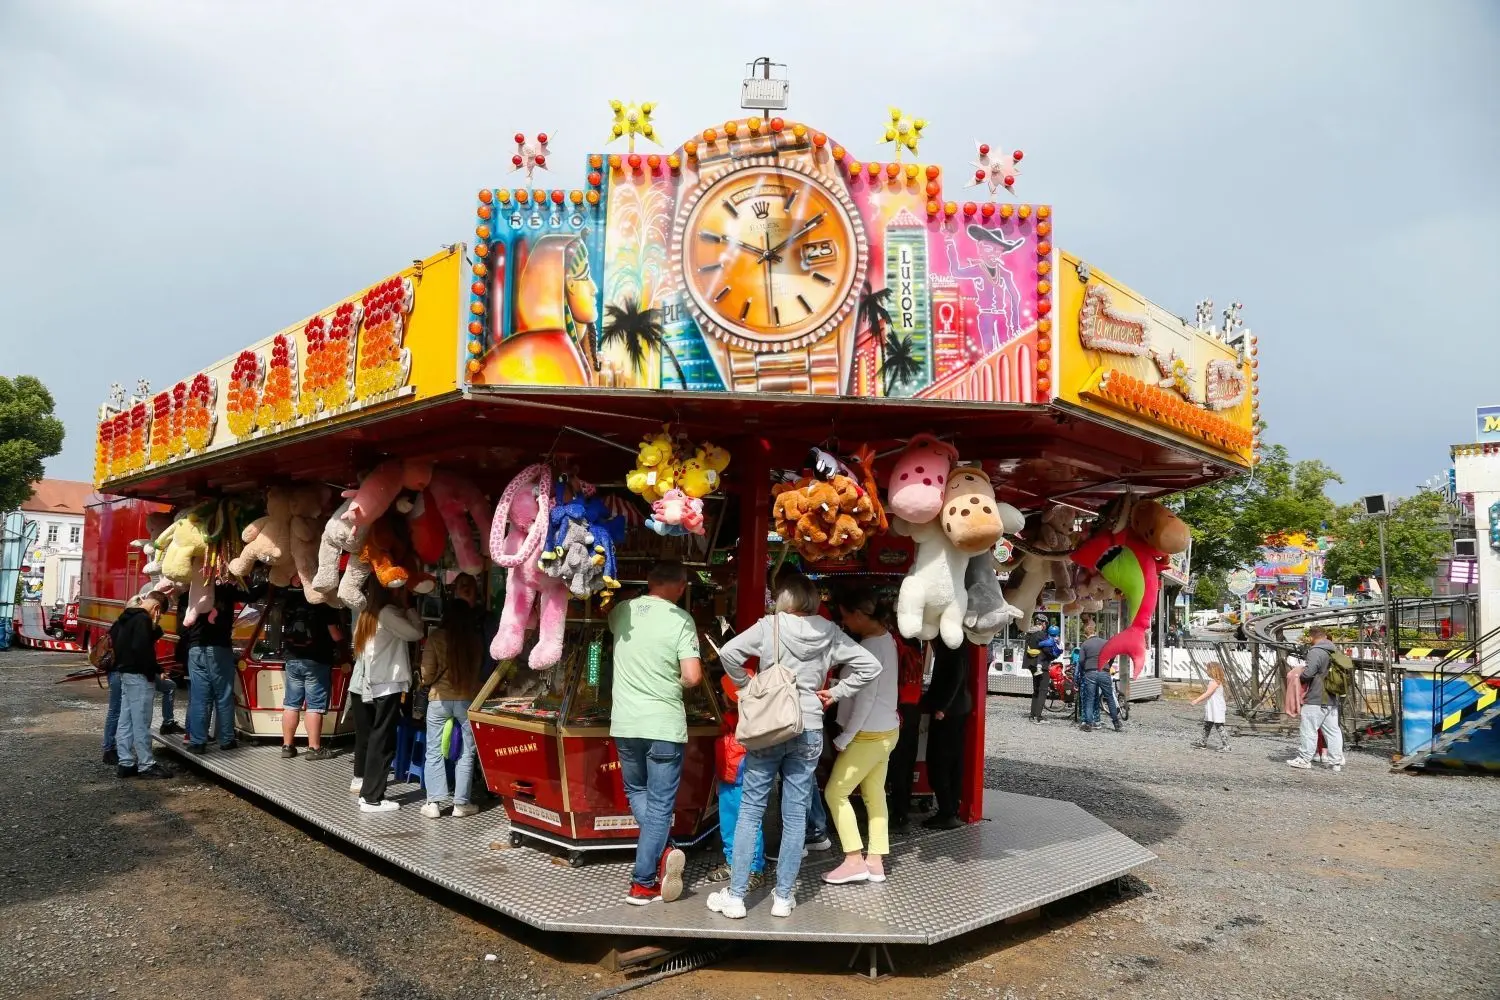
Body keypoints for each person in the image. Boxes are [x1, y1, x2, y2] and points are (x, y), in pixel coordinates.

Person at [708, 573, 881, 920]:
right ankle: (784, 896)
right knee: (795, 814)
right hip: (810, 726)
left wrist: (746, 687)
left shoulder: (770, 626)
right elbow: (870, 666)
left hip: (769, 726)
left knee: (751, 810)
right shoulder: (829, 632)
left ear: (783, 600)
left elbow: (728, 654)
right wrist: (834, 692)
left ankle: (737, 896)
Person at [608, 560, 703, 906]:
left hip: (625, 722)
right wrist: (671, 686)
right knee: (661, 806)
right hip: (663, 723)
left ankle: (664, 852)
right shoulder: (682, 620)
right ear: (680, 587)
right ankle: (643, 881)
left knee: (636, 789)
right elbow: (693, 677)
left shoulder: (622, 612)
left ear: (649, 581)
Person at [823, 587, 901, 885]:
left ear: (858, 615)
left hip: (867, 734)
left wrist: (845, 738)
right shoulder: (886, 640)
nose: (844, 623)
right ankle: (875, 861)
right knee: (874, 794)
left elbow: (865, 700)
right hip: (886, 730)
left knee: (835, 792)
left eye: (845, 617)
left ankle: (854, 858)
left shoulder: (869, 647)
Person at [351, 585, 424, 812]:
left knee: (377, 738)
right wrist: (409, 607)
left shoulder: (369, 613)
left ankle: (368, 793)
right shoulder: (388, 613)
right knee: (384, 741)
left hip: (376, 682)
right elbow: (417, 633)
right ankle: (373, 797)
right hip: (388, 683)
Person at [419, 573, 484, 819]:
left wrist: (427, 681)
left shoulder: (436, 637)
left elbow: (427, 674)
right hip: (467, 698)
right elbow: (478, 670)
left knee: (434, 750)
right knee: (467, 752)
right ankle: (461, 803)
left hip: (439, 699)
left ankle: (434, 803)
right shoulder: (474, 640)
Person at [180, 581, 261, 754]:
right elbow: (251, 596)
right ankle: (226, 739)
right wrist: (269, 582)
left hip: (195, 649)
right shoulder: (226, 589)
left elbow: (182, 626)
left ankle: (197, 742)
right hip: (219, 648)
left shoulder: (192, 590)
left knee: (200, 698)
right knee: (223, 695)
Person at [705, 674, 766, 891]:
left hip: (745, 774)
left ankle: (755, 868)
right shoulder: (729, 718)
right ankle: (733, 862)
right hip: (727, 776)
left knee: (750, 823)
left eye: (724, 693)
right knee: (728, 819)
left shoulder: (753, 717)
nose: (721, 696)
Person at [109, 593, 173, 779]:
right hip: (139, 676)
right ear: (157, 609)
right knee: (142, 721)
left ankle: (126, 762)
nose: (159, 617)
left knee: (126, 720)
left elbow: (117, 639)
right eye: (160, 614)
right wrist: (155, 669)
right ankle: (146, 764)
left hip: (125, 673)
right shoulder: (143, 620)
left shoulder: (125, 617)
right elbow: (142, 648)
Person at [279, 588, 345, 759]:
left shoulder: (291, 600)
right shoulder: (324, 603)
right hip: (317, 660)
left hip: (292, 658)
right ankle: (314, 748)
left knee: (291, 704)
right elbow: (335, 635)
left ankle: (287, 746)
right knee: (314, 706)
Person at [921, 639, 972, 830]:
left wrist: (943, 707)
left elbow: (954, 677)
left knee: (939, 762)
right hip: (959, 709)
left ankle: (946, 811)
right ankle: (951, 808)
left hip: (948, 712)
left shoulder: (950, 646)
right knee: (953, 762)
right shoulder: (959, 644)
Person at [1288, 626, 1346, 772]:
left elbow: (1308, 673)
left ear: (1311, 637)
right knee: (1333, 731)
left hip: (1316, 696)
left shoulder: (1316, 651)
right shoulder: (1335, 651)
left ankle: (1304, 759)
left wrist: (1297, 675)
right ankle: (1336, 761)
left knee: (1308, 729)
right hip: (1332, 697)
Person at [886, 633, 927, 833]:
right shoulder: (916, 646)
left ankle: (899, 815)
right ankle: (903, 809)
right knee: (907, 763)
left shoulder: (895, 644)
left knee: (897, 765)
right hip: (914, 708)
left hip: (899, 707)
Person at [1079, 620, 1121, 733]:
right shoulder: (1105, 642)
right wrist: (1109, 665)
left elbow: (1081, 660)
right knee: (1110, 698)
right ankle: (1116, 723)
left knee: (1090, 698)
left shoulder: (1085, 644)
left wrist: (1085, 668)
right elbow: (1114, 654)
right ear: (1095, 631)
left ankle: (1088, 724)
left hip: (1090, 672)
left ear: (1085, 634)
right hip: (1104, 671)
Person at [1190, 662, 1230, 751]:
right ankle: (1202, 742)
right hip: (1214, 706)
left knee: (1219, 726)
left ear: (1212, 671)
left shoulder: (1214, 683)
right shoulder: (1217, 682)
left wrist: (1196, 700)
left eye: (1208, 670)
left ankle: (1226, 746)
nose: (1206, 671)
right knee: (1207, 725)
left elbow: (1207, 693)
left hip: (1216, 707)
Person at [1021, 617, 1051, 724]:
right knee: (1043, 690)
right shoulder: (1042, 635)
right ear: (1042, 623)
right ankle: (1038, 717)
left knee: (1036, 690)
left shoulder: (1029, 633)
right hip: (1041, 665)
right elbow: (1048, 650)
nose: (1046, 626)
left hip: (1031, 665)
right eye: (1045, 624)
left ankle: (1032, 715)